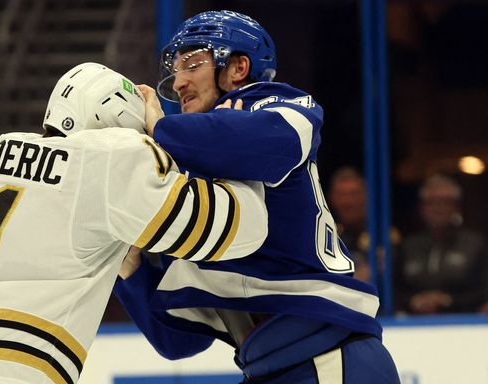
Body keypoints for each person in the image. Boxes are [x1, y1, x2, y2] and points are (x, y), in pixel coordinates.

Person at [0, 62, 269, 384]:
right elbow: (240, 230)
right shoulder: (111, 154)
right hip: (4, 367)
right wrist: (230, 149)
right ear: (118, 117)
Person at [114, 10, 399, 383]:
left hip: (329, 355)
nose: (179, 82)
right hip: (269, 366)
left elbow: (266, 143)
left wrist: (159, 128)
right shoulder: (201, 186)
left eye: (192, 64)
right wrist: (130, 268)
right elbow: (177, 342)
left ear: (238, 67)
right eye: (175, 70)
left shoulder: (281, 106)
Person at [395, 174, 488, 314]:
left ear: (456, 207)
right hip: (413, 325)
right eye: (431, 202)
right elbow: (394, 290)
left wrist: (448, 300)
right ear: (422, 208)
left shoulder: (476, 244)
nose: (438, 208)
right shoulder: (407, 246)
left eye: (445, 202)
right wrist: (414, 301)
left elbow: (483, 291)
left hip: (465, 324)